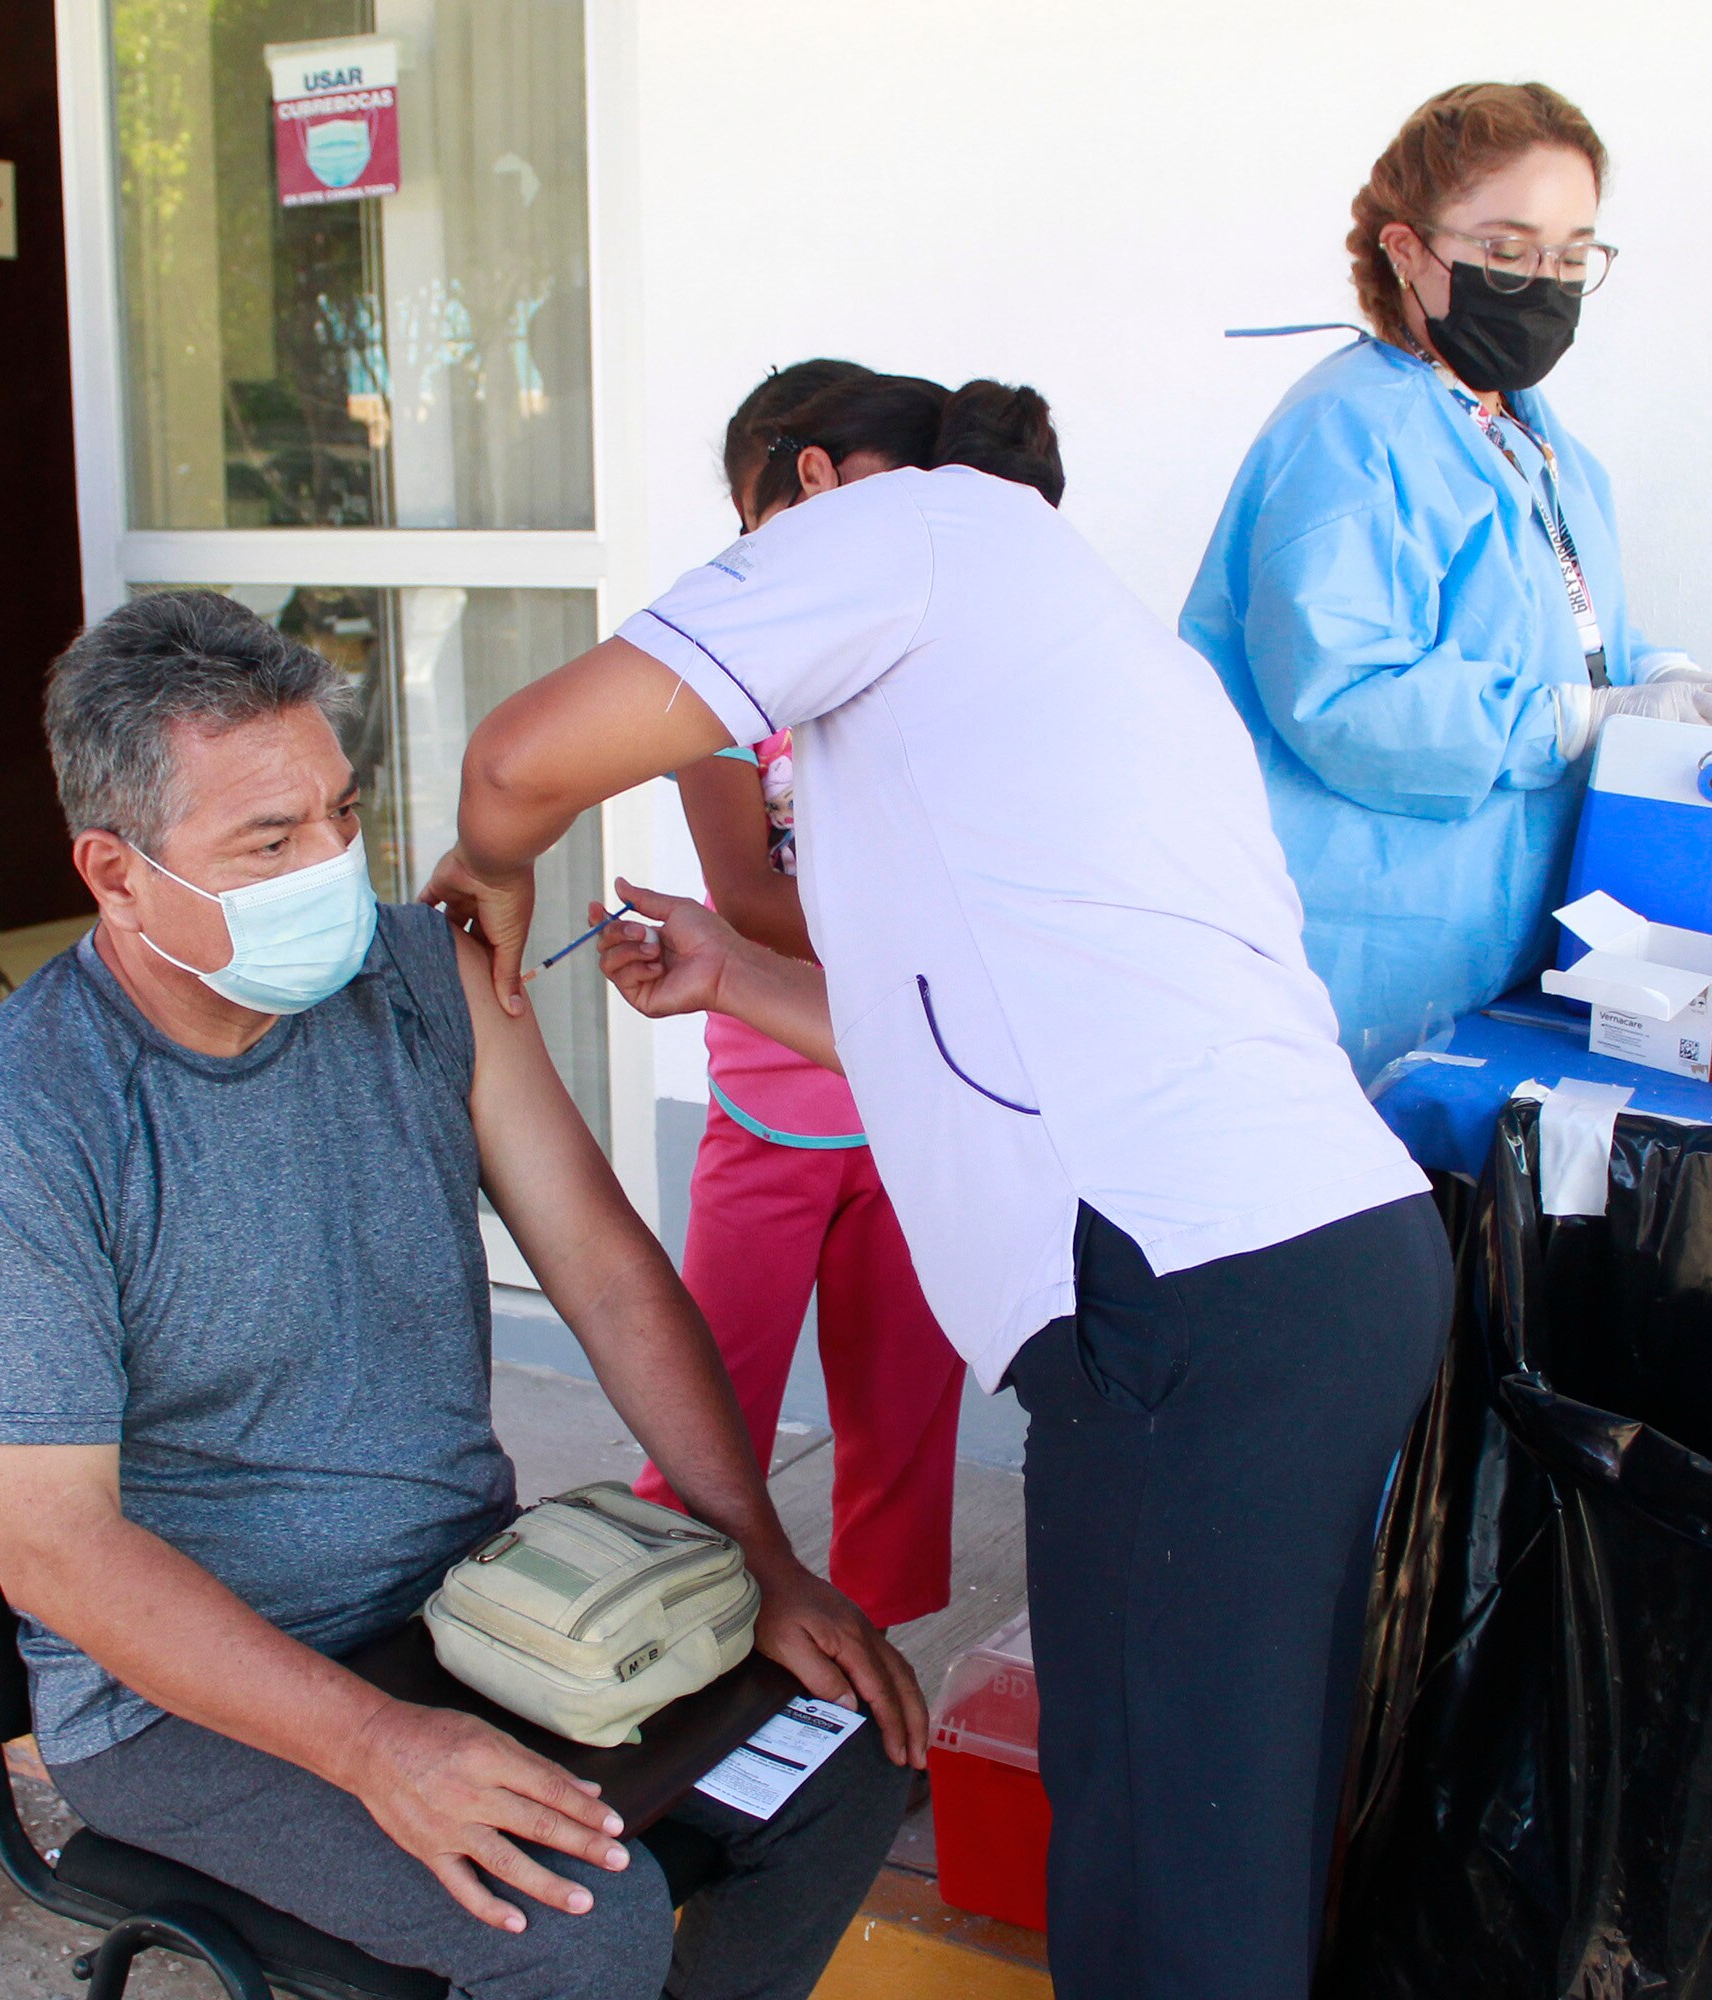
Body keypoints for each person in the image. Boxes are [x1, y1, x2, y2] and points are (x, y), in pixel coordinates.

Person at [422, 371, 1448, 2000]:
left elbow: (520, 750)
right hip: (1307, 1271)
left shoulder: (889, 529)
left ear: (808, 481)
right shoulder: (1075, 633)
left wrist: (486, 873)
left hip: (1199, 1294)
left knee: (1187, 1898)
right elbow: (966, 1022)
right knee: (1161, 1826)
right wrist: (727, 976)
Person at [0, 592, 917, 2000]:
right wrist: (376, 1746)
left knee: (840, 1753)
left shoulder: (419, 975)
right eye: (268, 840)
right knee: (576, 1925)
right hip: (183, 1704)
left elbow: (609, 1277)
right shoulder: (11, 1131)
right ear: (116, 877)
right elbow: (59, 1551)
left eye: (338, 814)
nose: (331, 866)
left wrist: (765, 1558)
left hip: (465, 1608)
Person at [1181, 83, 1712, 1075]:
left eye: (1571, 256)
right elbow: (1344, 697)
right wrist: (1576, 720)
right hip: (1349, 950)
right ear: (1406, 249)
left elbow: (1573, 632)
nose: (1545, 283)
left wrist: (1670, 680)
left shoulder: (1521, 431)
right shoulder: (1348, 436)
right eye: (1508, 252)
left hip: (1484, 945)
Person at [633, 361, 972, 1632]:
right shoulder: (729, 659)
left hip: (918, 1106)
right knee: (707, 1415)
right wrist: (918, 916)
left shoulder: (933, 647)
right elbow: (741, 893)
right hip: (772, 1112)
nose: (752, 556)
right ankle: (668, 1660)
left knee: (903, 1429)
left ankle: (869, 1703)